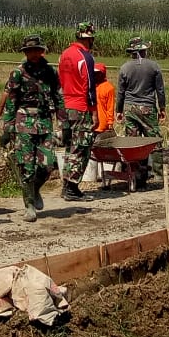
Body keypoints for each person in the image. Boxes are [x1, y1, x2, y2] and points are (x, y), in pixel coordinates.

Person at [0, 35, 67, 222]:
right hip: (24, 122)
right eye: (29, 51)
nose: (33, 54)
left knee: (47, 164)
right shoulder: (18, 73)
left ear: (41, 51)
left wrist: (64, 123)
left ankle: (35, 189)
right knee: (26, 167)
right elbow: (11, 101)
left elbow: (58, 97)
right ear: (25, 53)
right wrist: (7, 128)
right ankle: (29, 205)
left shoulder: (50, 72)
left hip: (44, 121)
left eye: (36, 50)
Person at [116, 36, 168, 180]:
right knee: (154, 139)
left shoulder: (124, 68)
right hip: (147, 107)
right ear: (143, 50)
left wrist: (119, 111)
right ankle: (158, 174)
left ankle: (136, 174)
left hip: (129, 108)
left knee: (133, 142)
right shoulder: (154, 66)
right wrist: (162, 107)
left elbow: (121, 92)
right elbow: (160, 90)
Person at [57, 21, 98, 202]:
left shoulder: (64, 55)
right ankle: (72, 187)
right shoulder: (85, 57)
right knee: (81, 147)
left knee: (69, 147)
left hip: (64, 106)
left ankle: (66, 185)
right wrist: (94, 112)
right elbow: (90, 87)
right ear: (90, 38)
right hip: (80, 106)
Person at [94, 63, 116, 138]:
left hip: (102, 125)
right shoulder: (90, 86)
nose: (95, 75)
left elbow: (110, 107)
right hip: (91, 124)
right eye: (94, 73)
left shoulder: (109, 88)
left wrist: (110, 122)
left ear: (102, 74)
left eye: (97, 73)